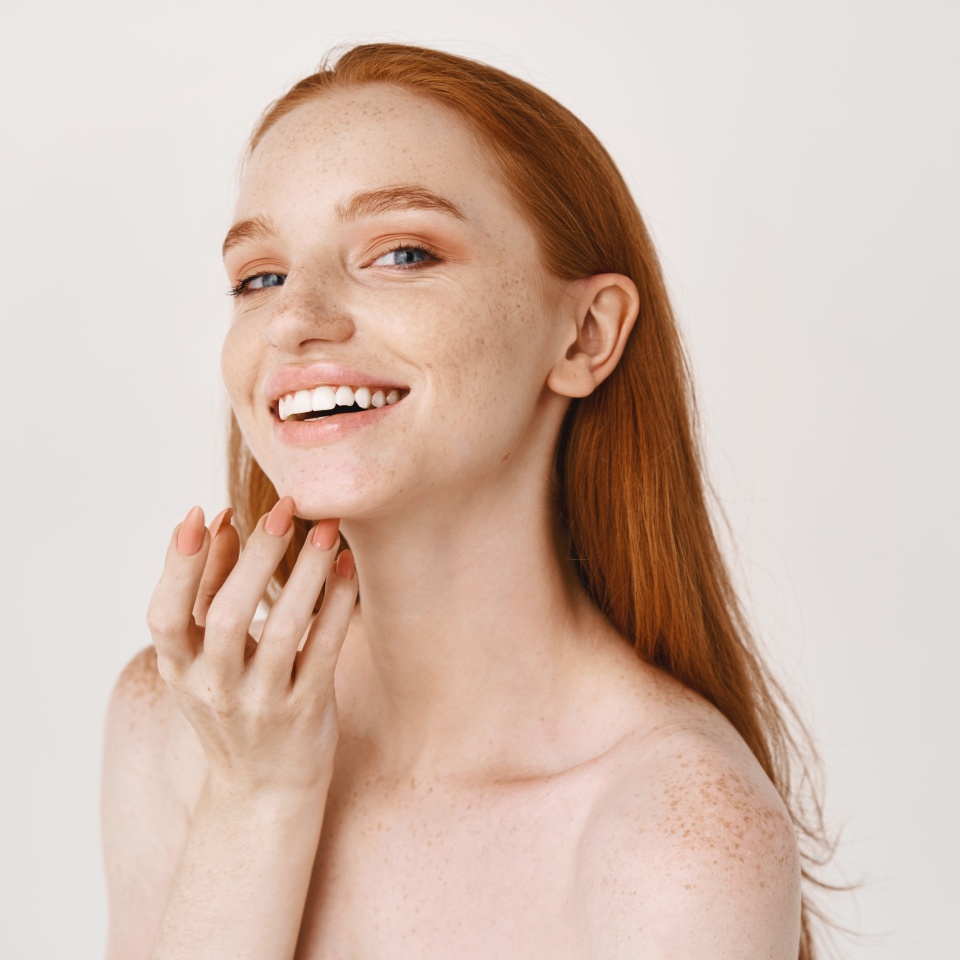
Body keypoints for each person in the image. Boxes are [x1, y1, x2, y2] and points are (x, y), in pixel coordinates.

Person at [101, 43, 830, 959]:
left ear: (586, 335)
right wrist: (255, 798)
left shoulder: (679, 838)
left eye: (403, 252)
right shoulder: (177, 718)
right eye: (260, 276)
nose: (293, 318)